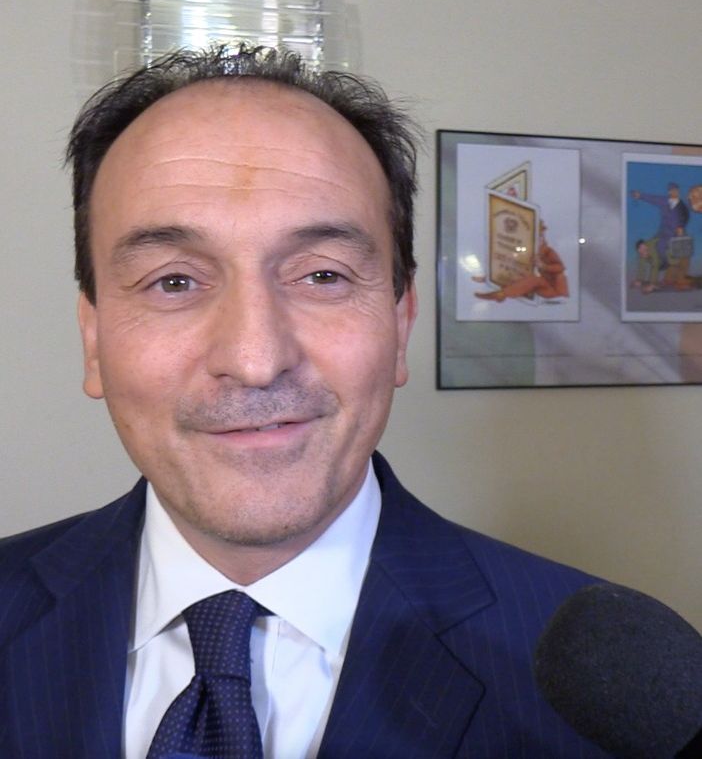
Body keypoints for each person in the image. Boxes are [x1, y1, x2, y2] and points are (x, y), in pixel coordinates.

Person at [0, 45, 609, 757]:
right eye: (173, 281)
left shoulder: (594, 697)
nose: (255, 361)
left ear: (401, 323)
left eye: (323, 276)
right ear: (94, 338)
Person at [475, 221, 569, 302]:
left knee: (534, 279)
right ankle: (490, 279)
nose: (537, 239)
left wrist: (543, 266)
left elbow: (560, 268)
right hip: (539, 286)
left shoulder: (548, 251)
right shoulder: (528, 249)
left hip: (553, 290)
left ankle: (501, 294)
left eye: (539, 236)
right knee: (517, 271)